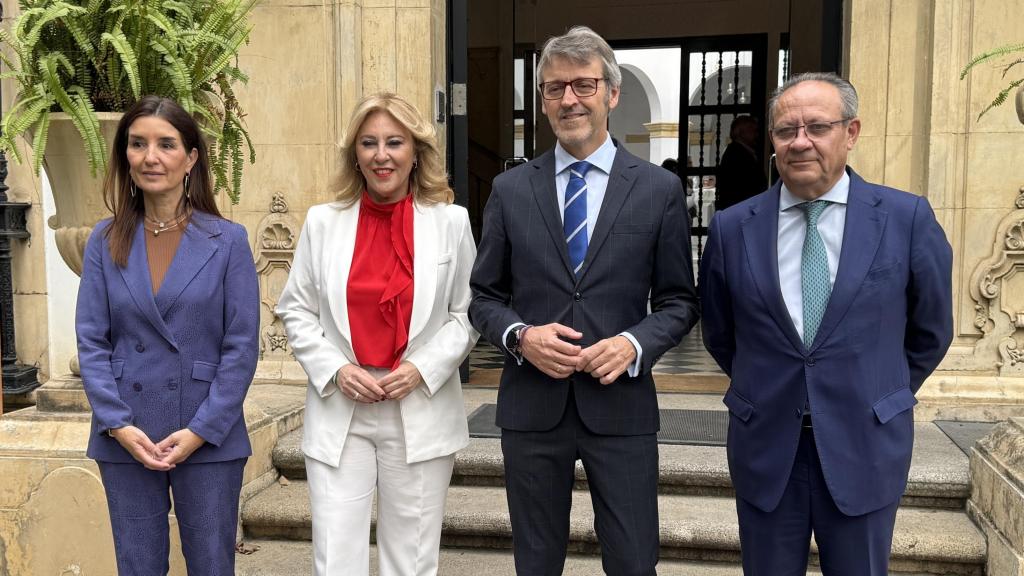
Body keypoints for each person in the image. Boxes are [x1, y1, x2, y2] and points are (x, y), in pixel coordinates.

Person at [699, 72, 953, 575]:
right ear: (771, 141)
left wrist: (879, 389)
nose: (800, 142)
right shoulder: (732, 228)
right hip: (768, 447)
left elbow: (932, 329)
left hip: (865, 442)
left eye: (817, 127)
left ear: (851, 133)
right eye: (785, 131)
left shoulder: (905, 219)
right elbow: (721, 332)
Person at [469, 26, 699, 576]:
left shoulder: (656, 190)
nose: (569, 99)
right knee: (536, 562)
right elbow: (483, 296)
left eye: (583, 85)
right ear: (543, 100)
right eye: (554, 88)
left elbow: (679, 301)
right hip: (532, 408)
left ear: (611, 94)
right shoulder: (510, 190)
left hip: (620, 407)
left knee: (633, 559)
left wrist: (632, 343)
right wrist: (520, 337)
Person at [275, 92, 477, 576]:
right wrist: (337, 370)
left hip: (420, 406)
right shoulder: (323, 223)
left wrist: (421, 369)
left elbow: (469, 312)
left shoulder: (452, 222)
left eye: (394, 142)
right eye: (369, 143)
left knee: (411, 559)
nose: (381, 155)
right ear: (355, 153)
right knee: (335, 558)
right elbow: (295, 310)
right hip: (341, 408)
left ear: (415, 151)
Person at [76, 96, 260, 575]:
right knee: (137, 567)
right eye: (138, 144)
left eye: (166, 144)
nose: (150, 156)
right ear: (125, 155)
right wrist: (117, 422)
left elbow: (240, 347)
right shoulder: (103, 239)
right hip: (127, 432)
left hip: (207, 431)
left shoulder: (228, 241)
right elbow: (92, 341)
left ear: (191, 157)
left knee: (211, 565)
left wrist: (202, 429)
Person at [714, 115, 767, 212]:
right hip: (741, 209)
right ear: (740, 132)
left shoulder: (741, 151)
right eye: (751, 130)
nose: (756, 134)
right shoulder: (735, 154)